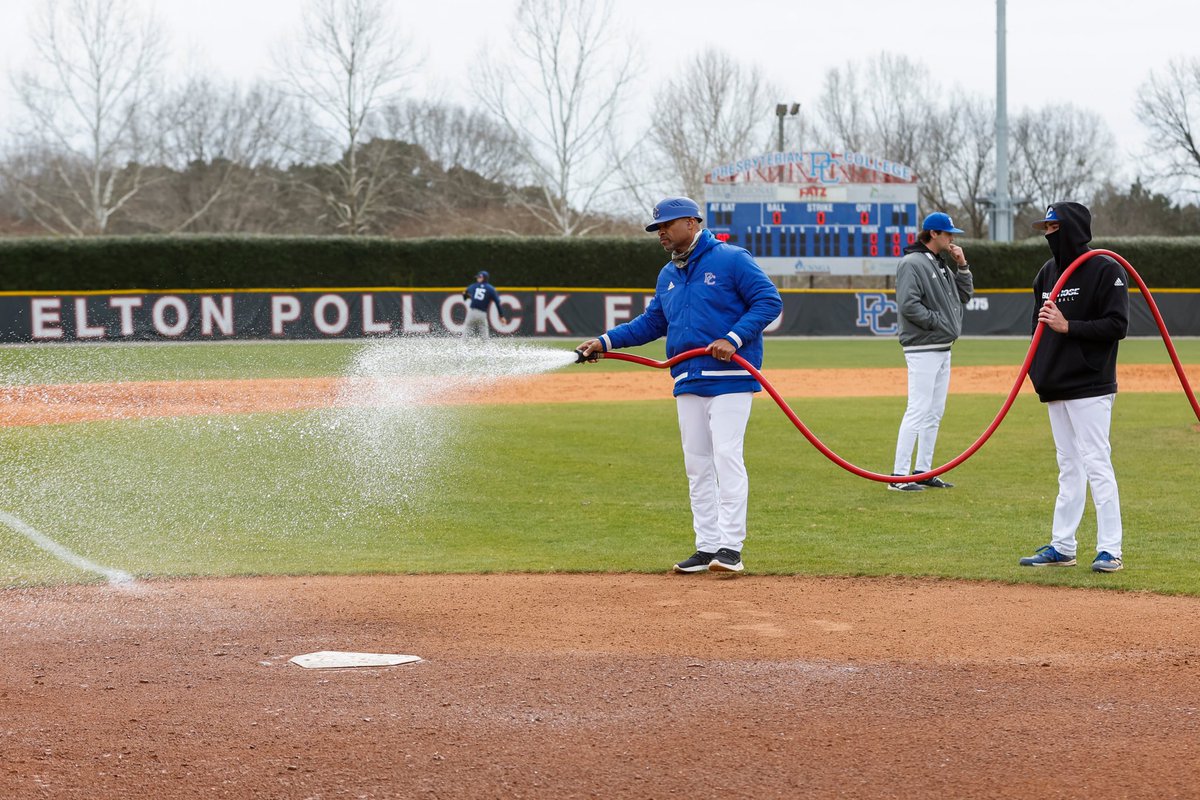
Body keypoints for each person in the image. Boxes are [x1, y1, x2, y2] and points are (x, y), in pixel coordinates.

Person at [576, 196, 782, 574]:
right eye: (657, 228)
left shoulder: (732, 258)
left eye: (667, 226)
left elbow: (769, 301)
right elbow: (651, 324)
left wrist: (734, 338)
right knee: (697, 465)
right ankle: (706, 547)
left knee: (726, 457)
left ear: (691, 222)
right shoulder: (667, 275)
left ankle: (730, 548)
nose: (661, 234)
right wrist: (604, 342)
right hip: (687, 378)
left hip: (730, 377)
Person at [1019, 202, 1129, 573]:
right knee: (1068, 466)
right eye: (1045, 228)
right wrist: (1038, 371)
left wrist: (1070, 326)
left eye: (1053, 227)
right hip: (1056, 384)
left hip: (1091, 384)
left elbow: (1117, 325)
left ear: (1071, 229)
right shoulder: (1047, 273)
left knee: (1097, 462)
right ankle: (1063, 545)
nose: (1048, 235)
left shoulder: (1104, 269)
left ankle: (1110, 549)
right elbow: (1035, 329)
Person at [889, 211, 974, 492]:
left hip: (941, 347)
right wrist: (939, 323)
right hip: (923, 346)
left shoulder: (939, 263)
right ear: (933, 234)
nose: (952, 239)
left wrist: (962, 266)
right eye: (948, 233)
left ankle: (924, 470)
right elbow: (909, 305)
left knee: (934, 412)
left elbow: (964, 295)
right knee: (918, 409)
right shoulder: (912, 263)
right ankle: (899, 477)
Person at [461, 270, 508, 338]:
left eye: (479, 277)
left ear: (483, 278)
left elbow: (464, 293)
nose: (477, 279)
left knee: (466, 334)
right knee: (484, 337)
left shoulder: (474, 286)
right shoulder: (490, 288)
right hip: (482, 313)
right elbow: (497, 302)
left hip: (472, 312)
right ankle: (486, 347)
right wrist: (501, 316)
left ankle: (463, 347)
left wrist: (469, 297)